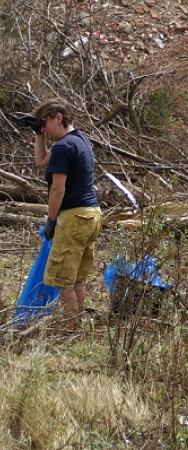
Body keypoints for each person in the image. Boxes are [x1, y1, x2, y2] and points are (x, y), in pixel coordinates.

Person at [24, 98, 103, 330]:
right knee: (76, 279)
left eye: (45, 123)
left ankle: (69, 331)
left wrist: (50, 220)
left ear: (58, 117)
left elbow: (58, 190)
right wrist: (38, 133)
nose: (45, 129)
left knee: (62, 280)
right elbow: (40, 161)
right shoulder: (80, 140)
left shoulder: (62, 147)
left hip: (74, 217)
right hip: (92, 214)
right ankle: (78, 329)